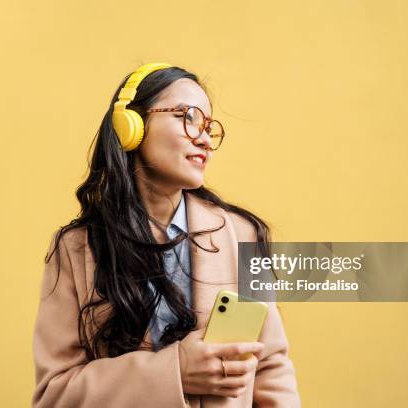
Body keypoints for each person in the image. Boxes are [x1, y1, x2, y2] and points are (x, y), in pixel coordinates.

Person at [31, 62, 301, 407]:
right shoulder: (75, 248)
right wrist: (175, 369)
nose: (204, 139)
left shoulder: (242, 235)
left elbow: (272, 371)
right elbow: (55, 395)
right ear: (132, 126)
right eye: (187, 116)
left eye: (208, 126)